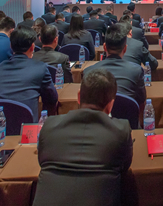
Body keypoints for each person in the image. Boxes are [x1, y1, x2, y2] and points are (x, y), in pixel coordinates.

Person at [32, 69, 133, 206]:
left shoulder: (49, 126)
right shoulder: (121, 130)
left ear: (79, 97)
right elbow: (124, 167)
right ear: (111, 105)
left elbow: (41, 161)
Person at [0, 27, 58, 121]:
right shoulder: (40, 68)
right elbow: (52, 99)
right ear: (32, 47)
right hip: (27, 128)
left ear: (11, 46)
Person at [83, 24, 146, 107]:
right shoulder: (136, 71)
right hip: (126, 115)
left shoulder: (88, 72)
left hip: (100, 115)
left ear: (104, 47)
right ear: (125, 49)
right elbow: (141, 102)